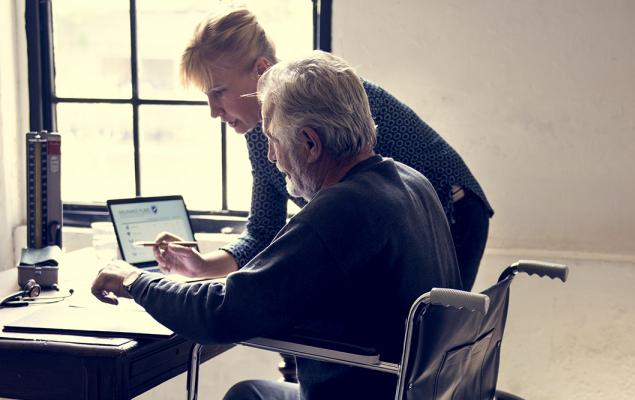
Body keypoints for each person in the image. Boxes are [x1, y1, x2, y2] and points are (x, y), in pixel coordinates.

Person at [92, 51, 462, 400]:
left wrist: (134, 280)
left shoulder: (343, 208)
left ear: (310, 143)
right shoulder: (411, 181)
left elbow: (221, 313)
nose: (271, 156)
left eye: (272, 140)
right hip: (413, 390)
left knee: (247, 394)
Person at [153, 7, 492, 291]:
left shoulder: (328, 92)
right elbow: (262, 231)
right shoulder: (260, 138)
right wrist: (201, 267)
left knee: (430, 342)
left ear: (260, 70)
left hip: (454, 207)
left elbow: (388, 206)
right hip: (398, 225)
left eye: (219, 92)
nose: (214, 111)